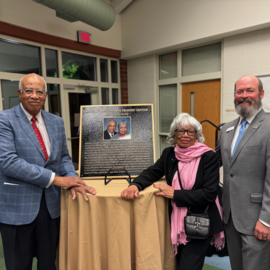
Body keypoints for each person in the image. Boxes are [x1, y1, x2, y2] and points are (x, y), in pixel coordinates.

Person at [0, 73, 96, 270]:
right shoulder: (4, 120)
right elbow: (8, 162)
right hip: (18, 207)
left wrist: (74, 179)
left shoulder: (56, 121)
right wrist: (57, 180)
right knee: (19, 264)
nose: (34, 95)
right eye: (29, 90)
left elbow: (63, 158)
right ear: (20, 93)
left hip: (51, 207)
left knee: (48, 263)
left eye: (39, 91)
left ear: (45, 95)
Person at [121, 113, 224, 270]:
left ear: (197, 135)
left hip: (199, 221)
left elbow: (209, 194)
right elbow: (152, 172)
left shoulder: (209, 157)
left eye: (190, 132)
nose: (185, 135)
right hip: (175, 224)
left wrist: (175, 194)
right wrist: (135, 185)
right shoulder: (169, 154)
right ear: (173, 134)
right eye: (180, 131)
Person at [216, 75, 270, 270]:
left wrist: (266, 220)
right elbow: (214, 162)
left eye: (250, 91)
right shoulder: (227, 129)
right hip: (230, 218)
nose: (244, 96)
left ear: (261, 94)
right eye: (240, 91)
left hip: (257, 219)